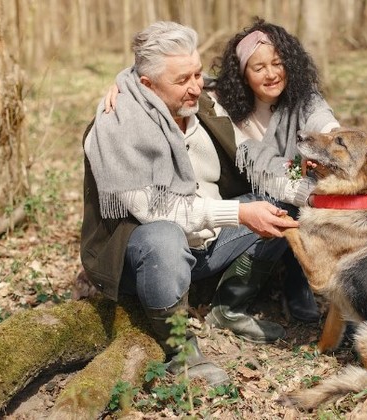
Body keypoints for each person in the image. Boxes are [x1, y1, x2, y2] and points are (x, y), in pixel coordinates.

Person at [81, 21, 298, 387]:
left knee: (280, 203)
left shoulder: (202, 102)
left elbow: (266, 84)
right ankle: (180, 349)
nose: (197, 85)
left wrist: (316, 191)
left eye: (197, 73)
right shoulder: (117, 128)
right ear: (147, 85)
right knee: (163, 236)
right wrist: (241, 214)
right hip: (147, 258)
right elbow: (158, 211)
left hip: (209, 243)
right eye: (183, 79)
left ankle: (229, 307)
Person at [209, 18, 340, 323]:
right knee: (282, 202)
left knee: (302, 197)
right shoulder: (224, 103)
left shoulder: (304, 98)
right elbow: (173, 78)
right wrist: (124, 82)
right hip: (245, 194)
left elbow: (323, 122)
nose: (271, 74)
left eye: (278, 63)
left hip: (293, 190)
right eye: (259, 68)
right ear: (243, 75)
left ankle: (298, 281)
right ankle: (232, 301)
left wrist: (334, 141)